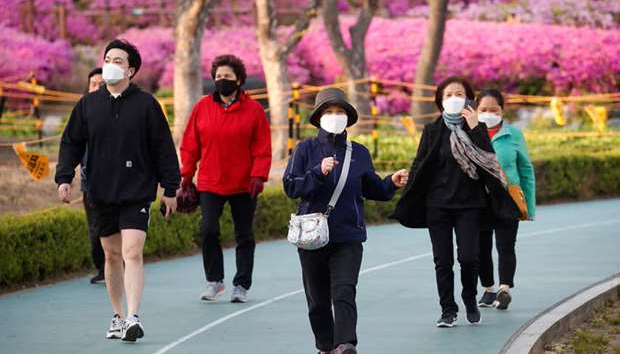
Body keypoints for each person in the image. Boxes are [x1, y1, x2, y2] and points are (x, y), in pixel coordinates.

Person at [55, 39, 180, 342]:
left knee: (132, 252)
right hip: (99, 190)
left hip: (136, 190)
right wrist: (64, 176)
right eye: (108, 58)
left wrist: (170, 188)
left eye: (119, 60)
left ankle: (134, 317)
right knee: (112, 256)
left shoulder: (147, 104)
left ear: (131, 69)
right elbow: (71, 142)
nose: (111, 63)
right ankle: (118, 315)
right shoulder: (88, 104)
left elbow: (163, 147)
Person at [283, 87, 408, 354]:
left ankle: (345, 344)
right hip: (313, 236)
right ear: (318, 117)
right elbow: (291, 187)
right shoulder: (305, 149)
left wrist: (391, 183)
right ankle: (326, 347)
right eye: (329, 111)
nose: (335, 116)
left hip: (348, 236)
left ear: (348, 117)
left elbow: (372, 187)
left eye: (340, 111)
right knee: (317, 300)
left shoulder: (359, 152)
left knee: (344, 291)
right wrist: (318, 172)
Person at [391, 76, 519, 328]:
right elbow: (420, 162)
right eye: (448, 94)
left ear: (468, 99)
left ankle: (469, 300)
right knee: (443, 261)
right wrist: (408, 185)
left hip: (470, 206)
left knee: (469, 258)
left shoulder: (476, 129)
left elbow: (489, 163)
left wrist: (476, 128)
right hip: (437, 206)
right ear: (440, 100)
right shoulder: (432, 130)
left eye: (459, 94)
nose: (453, 99)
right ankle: (448, 310)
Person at [180, 54, 272, 304]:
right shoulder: (202, 107)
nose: (222, 80)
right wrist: (187, 175)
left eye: (227, 77)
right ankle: (215, 281)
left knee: (244, 235)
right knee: (208, 230)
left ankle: (241, 284)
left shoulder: (254, 110)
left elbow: (262, 147)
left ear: (239, 80)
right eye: (218, 76)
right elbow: (190, 144)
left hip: (244, 183)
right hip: (211, 181)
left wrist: (258, 176)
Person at [475, 88, 536, 310]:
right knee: (481, 247)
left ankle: (504, 288)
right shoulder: (470, 132)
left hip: (508, 196)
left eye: (494, 109)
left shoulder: (514, 134)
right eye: (483, 109)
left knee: (506, 245)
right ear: (476, 109)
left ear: (502, 110)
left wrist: (528, 206)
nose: (488, 113)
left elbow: (526, 169)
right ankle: (489, 288)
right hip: (478, 198)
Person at [82, 68, 105, 285]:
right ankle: (102, 268)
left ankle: (118, 264)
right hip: (88, 183)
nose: (96, 87)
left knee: (114, 227)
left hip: (115, 182)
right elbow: (71, 145)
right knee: (94, 227)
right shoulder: (82, 112)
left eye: (101, 83)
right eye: (93, 84)